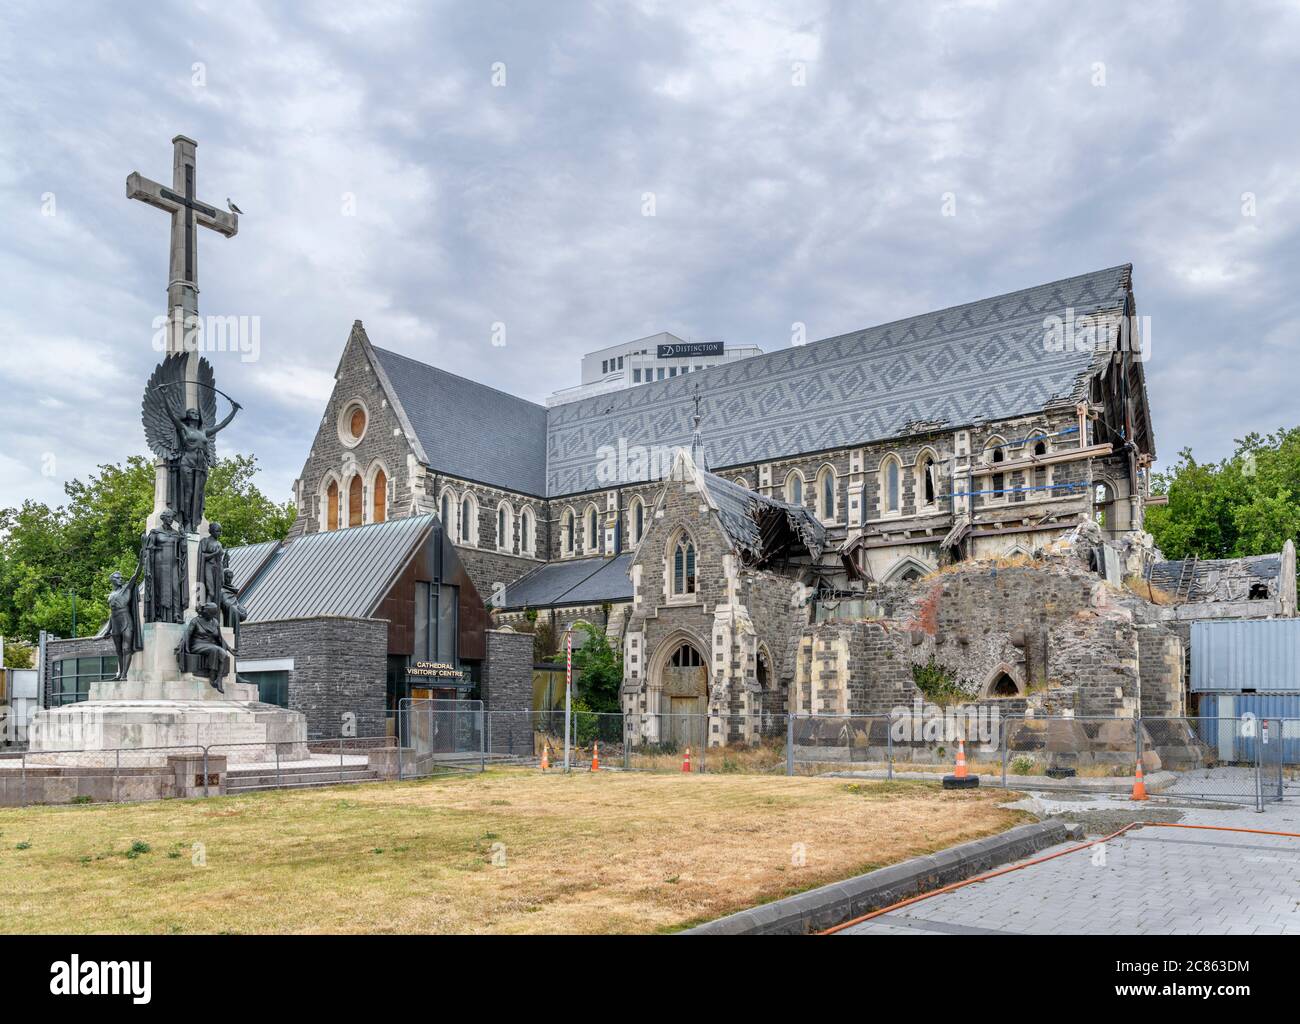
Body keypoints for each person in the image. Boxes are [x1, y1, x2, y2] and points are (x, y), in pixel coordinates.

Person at [176, 602, 233, 693]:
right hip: (197, 645)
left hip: (211, 645)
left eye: (214, 614)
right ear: (206, 612)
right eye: (211, 614)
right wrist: (181, 646)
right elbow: (187, 634)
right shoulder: (195, 621)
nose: (213, 616)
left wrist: (229, 648)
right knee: (215, 649)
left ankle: (219, 679)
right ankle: (212, 676)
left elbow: (219, 638)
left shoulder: (215, 622)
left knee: (223, 653)